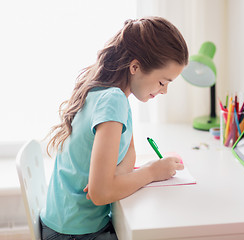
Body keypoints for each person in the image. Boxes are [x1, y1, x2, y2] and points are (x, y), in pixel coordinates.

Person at [40, 16, 188, 240]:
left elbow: (128, 155)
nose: (164, 91)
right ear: (135, 67)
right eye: (162, 82)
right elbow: (100, 194)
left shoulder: (108, 92)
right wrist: (152, 172)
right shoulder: (113, 101)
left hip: (67, 223)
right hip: (74, 233)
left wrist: (113, 178)